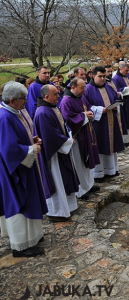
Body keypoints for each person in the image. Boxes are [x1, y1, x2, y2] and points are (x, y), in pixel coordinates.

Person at [0, 81, 48, 257]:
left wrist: (32, 140)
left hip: (24, 164)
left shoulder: (15, 112)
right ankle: (20, 245)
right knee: (19, 202)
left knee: (30, 199)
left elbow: (18, 137)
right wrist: (32, 149)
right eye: (23, 98)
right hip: (14, 170)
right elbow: (8, 149)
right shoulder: (4, 117)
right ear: (12, 100)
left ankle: (33, 237)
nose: (26, 101)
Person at [34, 85, 80, 221]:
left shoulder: (52, 107)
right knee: (57, 179)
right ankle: (57, 211)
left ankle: (69, 206)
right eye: (55, 94)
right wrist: (68, 141)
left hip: (61, 150)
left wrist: (68, 135)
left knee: (65, 178)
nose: (58, 96)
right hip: (53, 154)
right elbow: (50, 135)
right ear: (47, 97)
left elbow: (62, 126)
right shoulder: (42, 112)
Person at [60, 78, 101, 200]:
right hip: (77, 137)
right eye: (82, 87)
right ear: (73, 88)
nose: (85, 90)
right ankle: (81, 190)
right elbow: (68, 119)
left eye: (85, 87)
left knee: (86, 161)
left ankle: (89, 184)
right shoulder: (66, 101)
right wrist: (84, 116)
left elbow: (88, 107)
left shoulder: (80, 97)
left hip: (86, 133)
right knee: (79, 162)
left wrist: (91, 112)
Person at [83, 66, 125, 179]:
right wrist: (100, 109)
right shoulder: (87, 89)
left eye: (104, 76)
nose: (102, 79)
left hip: (111, 120)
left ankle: (112, 169)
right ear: (93, 76)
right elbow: (85, 106)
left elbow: (116, 98)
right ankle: (99, 173)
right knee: (100, 146)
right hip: (98, 124)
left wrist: (116, 106)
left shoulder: (109, 86)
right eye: (100, 76)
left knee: (111, 145)